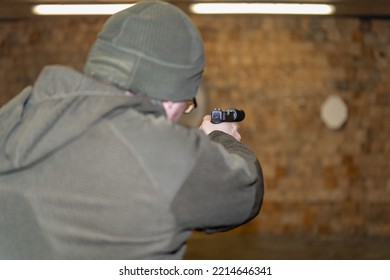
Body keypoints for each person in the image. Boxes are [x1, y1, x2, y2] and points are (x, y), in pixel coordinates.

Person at [0, 1, 264, 259]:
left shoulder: (15, 114)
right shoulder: (164, 154)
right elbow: (245, 190)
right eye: (185, 104)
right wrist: (219, 141)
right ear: (170, 97)